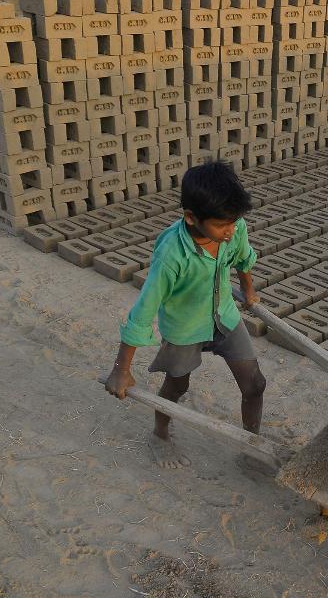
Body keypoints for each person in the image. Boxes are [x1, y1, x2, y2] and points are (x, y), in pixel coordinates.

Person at [104, 161, 265, 465]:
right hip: (184, 327)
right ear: (191, 218)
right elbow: (142, 312)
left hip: (224, 316)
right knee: (177, 385)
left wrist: (248, 290)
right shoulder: (171, 255)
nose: (230, 231)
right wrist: (121, 370)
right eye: (222, 225)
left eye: (234, 222)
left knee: (255, 384)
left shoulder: (234, 228)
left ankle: (252, 443)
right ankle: (160, 434)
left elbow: (243, 257)